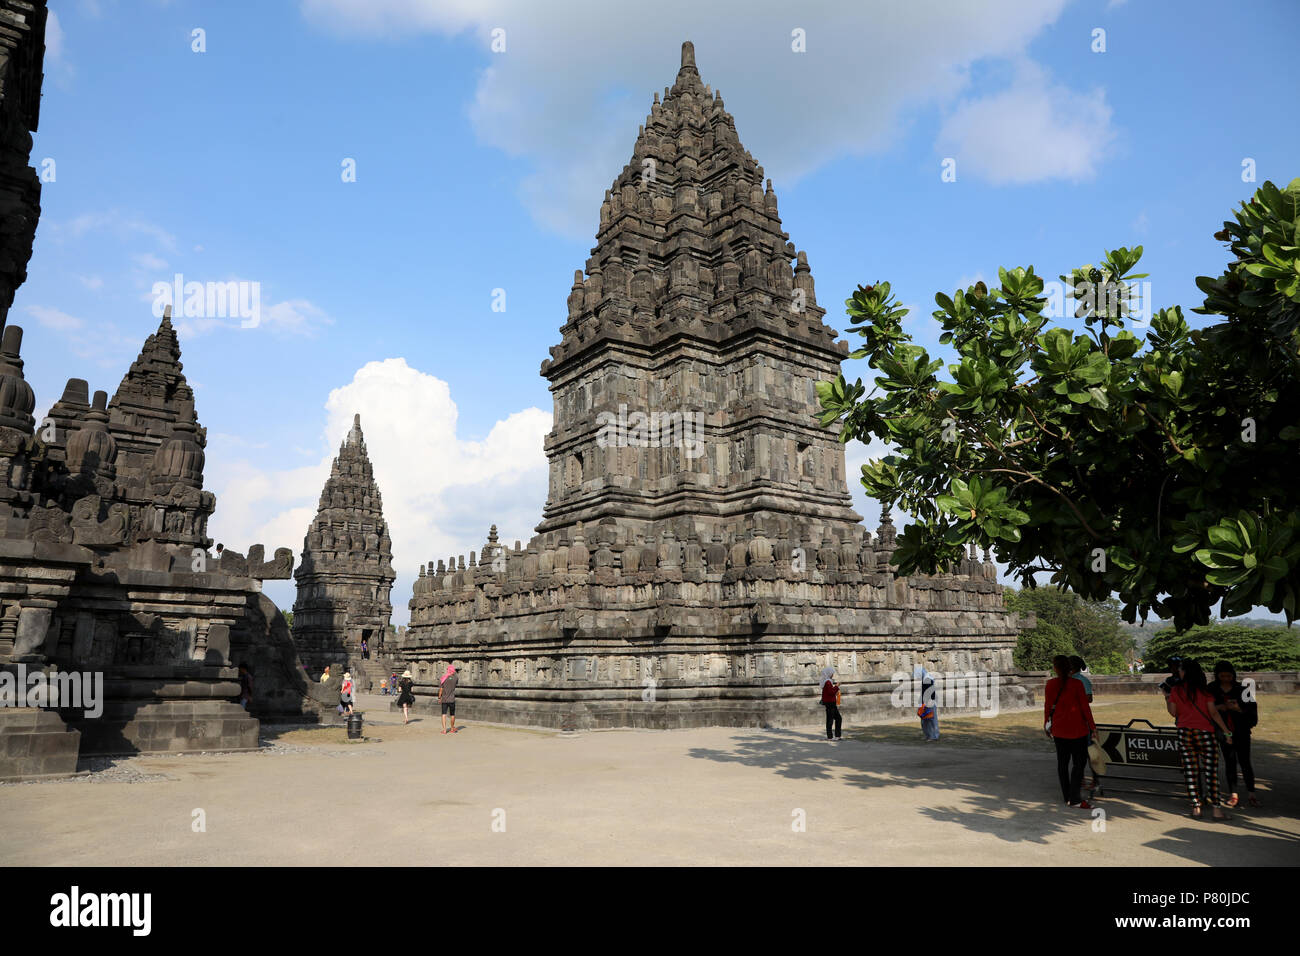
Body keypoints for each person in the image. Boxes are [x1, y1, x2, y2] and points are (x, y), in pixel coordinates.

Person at [1166, 659, 1233, 820]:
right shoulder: (1204, 692)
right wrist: (1227, 733)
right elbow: (1214, 714)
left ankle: (1196, 807)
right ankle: (1217, 809)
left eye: (1181, 670)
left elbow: (1173, 713)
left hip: (1185, 732)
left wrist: (1167, 698)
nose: (1179, 673)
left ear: (1186, 672)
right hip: (1205, 733)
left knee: (1190, 771)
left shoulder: (1176, 690)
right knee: (1211, 772)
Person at [1045, 655, 1097, 809]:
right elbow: (1085, 707)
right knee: (1078, 763)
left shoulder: (1050, 684)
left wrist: (1046, 724)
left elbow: (1048, 706)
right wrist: (1093, 727)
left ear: (1055, 668)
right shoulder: (1077, 684)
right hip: (1077, 729)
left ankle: (1067, 795)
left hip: (1059, 729)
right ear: (1069, 668)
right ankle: (1074, 798)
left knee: (1062, 763)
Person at [1210, 660, 1259, 809]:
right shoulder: (1212, 689)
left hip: (1241, 731)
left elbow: (1253, 713)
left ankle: (1251, 793)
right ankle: (1233, 794)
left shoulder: (1243, 690)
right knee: (1229, 762)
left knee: (1245, 762)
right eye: (1222, 676)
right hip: (1223, 731)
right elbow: (1207, 710)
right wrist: (1220, 707)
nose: (1226, 679)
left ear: (1233, 675)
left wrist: (1238, 709)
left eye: (1228, 676)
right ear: (1217, 676)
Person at [915, 665, 939, 740]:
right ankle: (928, 735)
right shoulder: (926, 678)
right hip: (926, 703)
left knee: (930, 721)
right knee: (925, 721)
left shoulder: (928, 679)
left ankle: (933, 736)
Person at [818, 666, 842, 741]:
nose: (832, 674)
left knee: (833, 719)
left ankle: (833, 736)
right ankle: (832, 736)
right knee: (834, 719)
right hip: (830, 703)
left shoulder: (827, 681)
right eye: (831, 673)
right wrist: (837, 686)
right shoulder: (828, 682)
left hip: (830, 702)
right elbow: (831, 692)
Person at [439, 664, 458, 734]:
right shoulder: (455, 678)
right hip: (452, 699)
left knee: (444, 714)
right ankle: (452, 728)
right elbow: (456, 680)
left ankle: (444, 730)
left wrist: (439, 697)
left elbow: (441, 689)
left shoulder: (443, 678)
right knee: (452, 714)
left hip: (444, 699)